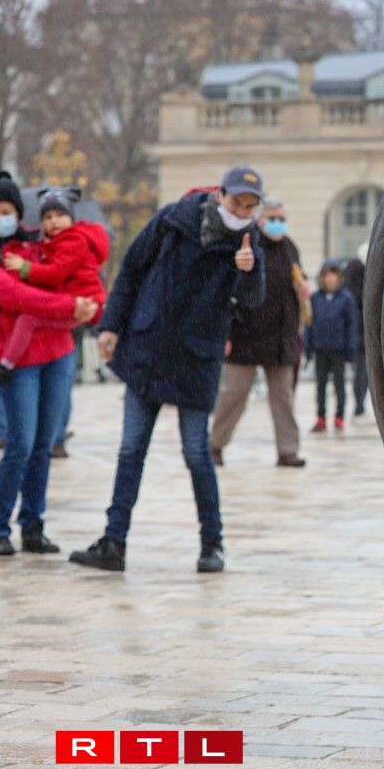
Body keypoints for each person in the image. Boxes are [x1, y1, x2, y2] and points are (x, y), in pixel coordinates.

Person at [68, 166, 267, 574]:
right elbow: (132, 268)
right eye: (237, 203)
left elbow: (251, 300)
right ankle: (113, 541)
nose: (242, 212)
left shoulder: (248, 242)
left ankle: (212, 544)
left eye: (250, 207)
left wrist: (250, 270)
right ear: (220, 195)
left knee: (196, 453)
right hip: (150, 347)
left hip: (197, 359)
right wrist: (110, 325)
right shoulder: (175, 218)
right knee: (130, 449)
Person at [0, 173, 98, 556]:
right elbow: (15, 295)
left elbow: (75, 268)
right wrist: (69, 306)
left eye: (7, 210)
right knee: (20, 444)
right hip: (19, 360)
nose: (1, 217)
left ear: (19, 213)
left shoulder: (40, 243)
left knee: (44, 445)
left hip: (59, 353)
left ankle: (33, 525)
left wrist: (87, 302)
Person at [208, 196, 306, 468]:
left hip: (281, 339)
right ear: (259, 219)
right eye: (272, 218)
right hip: (245, 336)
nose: (278, 223)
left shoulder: (290, 248)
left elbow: (297, 281)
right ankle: (214, 445)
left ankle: (288, 451)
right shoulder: (248, 245)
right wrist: (227, 332)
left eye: (281, 219)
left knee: (284, 398)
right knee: (233, 395)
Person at [0, 189, 109, 395]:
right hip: (75, 307)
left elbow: (55, 274)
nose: (54, 221)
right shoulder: (51, 243)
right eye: (47, 217)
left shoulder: (73, 241)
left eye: (60, 215)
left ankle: (4, 366)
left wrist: (25, 267)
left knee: (27, 320)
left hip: (80, 304)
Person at [305, 261, 358, 433]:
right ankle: (320, 418)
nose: (330, 279)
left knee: (339, 385)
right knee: (320, 386)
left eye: (333, 275)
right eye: (327, 275)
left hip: (338, 350)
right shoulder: (315, 298)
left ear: (339, 277)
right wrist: (308, 347)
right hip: (321, 349)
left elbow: (351, 325)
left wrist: (350, 348)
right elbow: (309, 324)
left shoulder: (346, 298)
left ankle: (339, 417)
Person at [340, 248, 368, 418]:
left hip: (360, 332)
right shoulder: (357, 270)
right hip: (361, 332)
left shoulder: (352, 270)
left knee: (362, 371)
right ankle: (359, 406)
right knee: (362, 371)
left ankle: (360, 405)